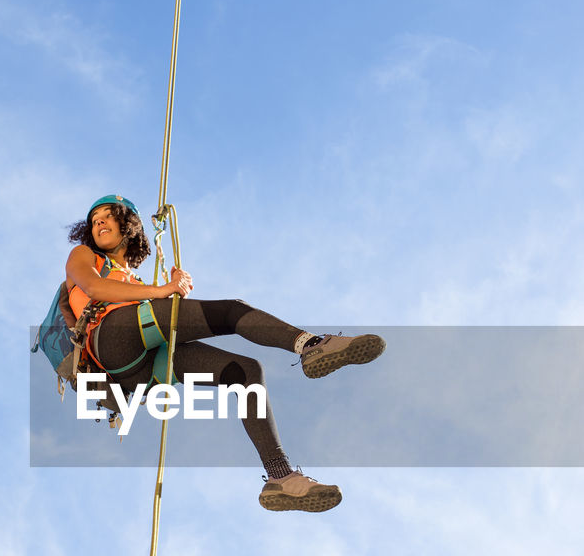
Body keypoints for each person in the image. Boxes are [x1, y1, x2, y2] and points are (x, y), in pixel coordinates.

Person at [65, 194, 385, 513]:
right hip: (109, 338)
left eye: (108, 216)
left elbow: (163, 311)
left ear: (127, 225)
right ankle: (311, 345)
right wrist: (162, 291)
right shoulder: (83, 256)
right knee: (230, 312)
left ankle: (280, 476)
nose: (99, 222)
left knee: (245, 372)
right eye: (94, 220)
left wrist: (168, 287)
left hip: (138, 369)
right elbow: (94, 289)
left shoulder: (133, 281)